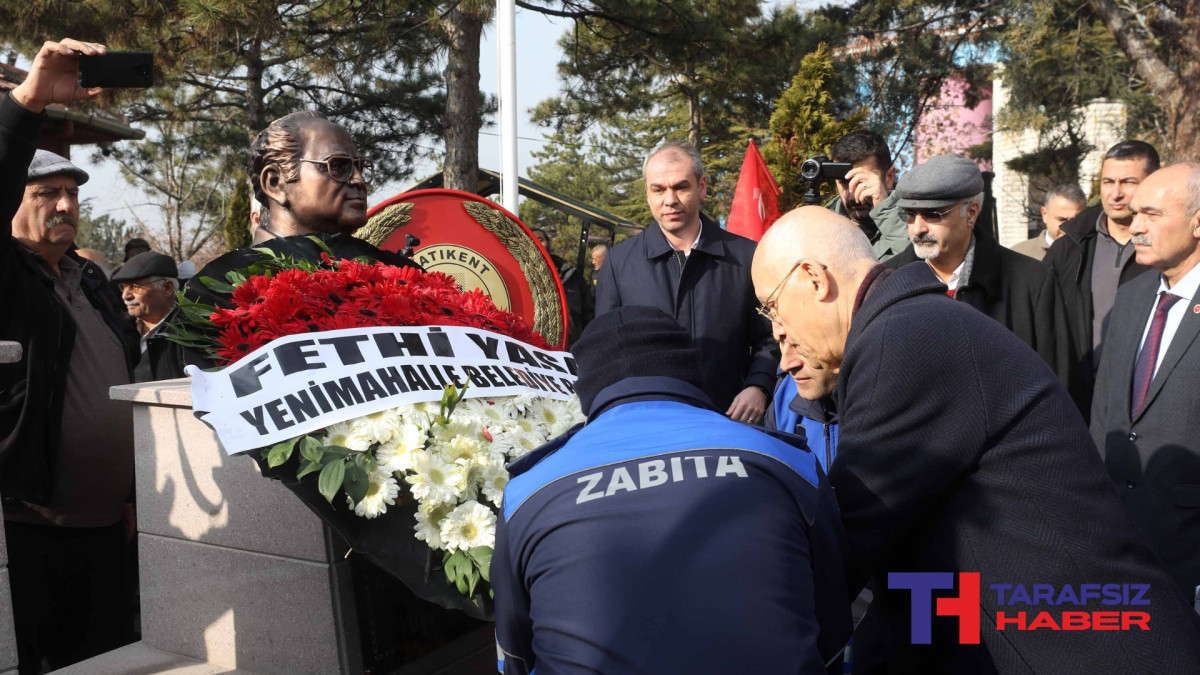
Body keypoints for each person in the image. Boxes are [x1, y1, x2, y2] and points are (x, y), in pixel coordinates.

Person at [752, 206, 1200, 673]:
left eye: (771, 305)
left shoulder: (905, 337)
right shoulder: (911, 324)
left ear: (813, 278)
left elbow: (847, 539)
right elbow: (914, 573)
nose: (776, 330)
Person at [493, 306, 851, 675]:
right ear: (689, 370)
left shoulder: (528, 492)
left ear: (586, 389)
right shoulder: (785, 461)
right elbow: (834, 626)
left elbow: (515, 655)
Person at [1, 38, 139, 673]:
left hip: (114, 528)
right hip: (34, 531)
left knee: (110, 658)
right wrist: (28, 100)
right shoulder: (8, 279)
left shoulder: (90, 283)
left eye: (72, 193)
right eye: (43, 194)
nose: (63, 205)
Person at [594, 140, 778, 421]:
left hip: (730, 421)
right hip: (649, 423)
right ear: (647, 193)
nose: (670, 200)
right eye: (658, 189)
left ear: (701, 187)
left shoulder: (747, 257)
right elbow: (605, 351)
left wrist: (759, 385)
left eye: (681, 187)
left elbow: (771, 336)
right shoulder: (619, 264)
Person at [1091, 161, 1200, 602]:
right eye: (1134, 214)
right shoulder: (1134, 296)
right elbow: (1105, 415)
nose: (1135, 226)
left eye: (1151, 214)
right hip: (1118, 547)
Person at [187, 110, 421, 311]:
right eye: (338, 166)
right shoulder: (218, 292)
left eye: (360, 167)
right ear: (275, 182)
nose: (359, 180)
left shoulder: (402, 276)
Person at [885, 154, 1072, 385]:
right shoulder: (887, 282)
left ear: (971, 213)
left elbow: (1058, 385)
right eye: (910, 215)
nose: (918, 228)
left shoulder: (1032, 283)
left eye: (933, 214)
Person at [1046, 141, 1158, 418]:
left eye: (1128, 182)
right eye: (1108, 181)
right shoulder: (1069, 246)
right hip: (1077, 400)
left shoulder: (1166, 248)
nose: (1115, 193)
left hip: (1145, 402)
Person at [826, 130, 909, 261]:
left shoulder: (916, 221)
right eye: (844, 183)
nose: (855, 194)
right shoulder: (822, 226)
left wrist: (885, 211)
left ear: (889, 177)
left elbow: (920, 268)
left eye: (863, 182)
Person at [112, 251, 185, 382]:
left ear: (167, 288)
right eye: (123, 287)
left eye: (135, 287)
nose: (125, 296)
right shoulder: (117, 329)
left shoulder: (191, 333)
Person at [532, 227, 590, 346]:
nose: (537, 242)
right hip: (533, 347)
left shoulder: (571, 275)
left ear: (548, 243)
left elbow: (588, 311)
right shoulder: (520, 273)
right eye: (532, 239)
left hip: (569, 346)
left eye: (540, 239)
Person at [1010, 183, 1086, 260]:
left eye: (1076, 220)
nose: (1069, 227)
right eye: (1062, 219)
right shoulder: (1019, 255)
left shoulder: (1094, 253)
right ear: (1044, 214)